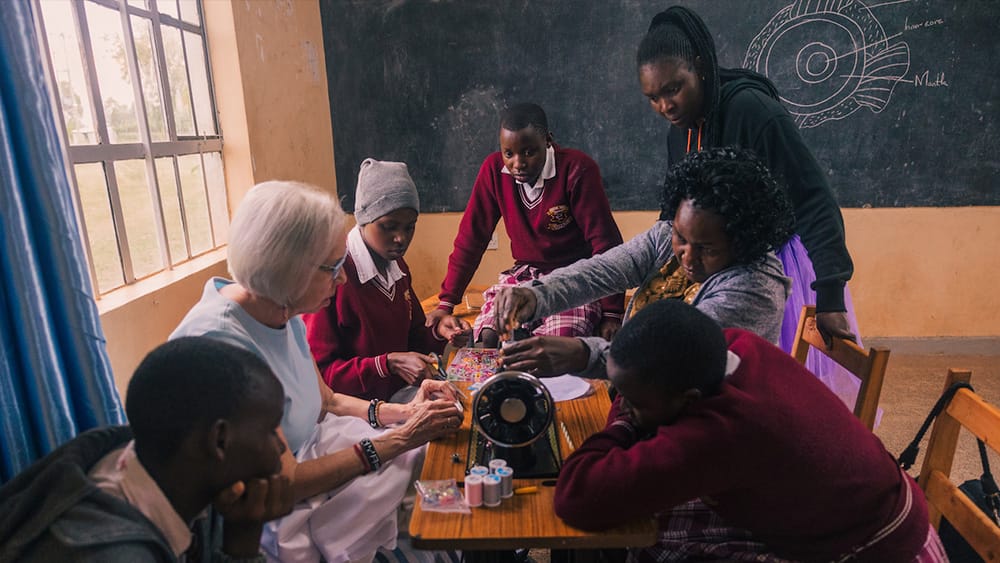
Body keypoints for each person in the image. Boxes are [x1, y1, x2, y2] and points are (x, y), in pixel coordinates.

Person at [170, 180, 464, 561]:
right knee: (418, 490)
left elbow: (326, 400)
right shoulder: (222, 346)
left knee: (431, 460)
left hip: (315, 451)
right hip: (267, 505)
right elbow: (285, 481)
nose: (342, 279)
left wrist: (403, 413)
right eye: (333, 268)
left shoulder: (280, 308)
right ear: (289, 269)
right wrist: (400, 437)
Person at [553, 299, 946, 562]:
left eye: (635, 401)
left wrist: (624, 423)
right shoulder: (735, 345)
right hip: (874, 508)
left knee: (648, 538)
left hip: (877, 550)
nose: (626, 405)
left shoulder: (722, 432)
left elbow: (578, 496)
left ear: (688, 399)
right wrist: (634, 407)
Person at [636, 5, 864, 407]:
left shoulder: (753, 111)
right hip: (717, 272)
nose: (665, 106)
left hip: (774, 268)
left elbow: (813, 198)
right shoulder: (680, 132)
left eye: (674, 88)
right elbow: (674, 214)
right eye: (653, 97)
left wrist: (830, 295)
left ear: (700, 68)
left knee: (775, 397)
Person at [495, 147, 792, 379]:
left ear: (741, 241)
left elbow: (674, 354)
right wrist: (535, 294)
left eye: (706, 249)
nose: (687, 256)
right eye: (681, 237)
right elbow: (603, 271)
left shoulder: (756, 287)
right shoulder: (667, 236)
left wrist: (583, 354)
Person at [0, 337, 293, 562]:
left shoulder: (179, 473)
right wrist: (242, 548)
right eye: (271, 431)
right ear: (218, 441)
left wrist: (241, 531)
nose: (281, 447)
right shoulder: (107, 555)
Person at [425, 102, 625, 347]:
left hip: (575, 277)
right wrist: (447, 301)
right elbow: (471, 239)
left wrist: (612, 312)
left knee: (557, 346)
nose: (517, 163)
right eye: (509, 154)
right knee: (490, 335)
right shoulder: (493, 171)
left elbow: (605, 244)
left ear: (548, 141)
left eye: (529, 152)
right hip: (525, 275)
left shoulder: (577, 170)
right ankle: (510, 367)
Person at [304, 158, 470, 402]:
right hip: (353, 411)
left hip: (396, 396)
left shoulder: (396, 267)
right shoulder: (332, 277)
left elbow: (413, 339)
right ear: (363, 219)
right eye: (388, 227)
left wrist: (438, 332)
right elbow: (320, 375)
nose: (400, 238)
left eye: (409, 227)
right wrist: (385, 365)